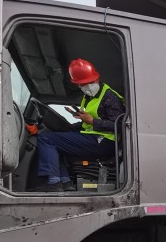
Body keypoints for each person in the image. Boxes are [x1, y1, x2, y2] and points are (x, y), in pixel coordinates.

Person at [34, 59, 125, 192]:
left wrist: (92, 121)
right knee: (55, 141)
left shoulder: (110, 97)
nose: (88, 86)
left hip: (104, 142)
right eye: (83, 84)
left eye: (91, 82)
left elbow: (120, 125)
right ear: (78, 85)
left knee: (46, 139)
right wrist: (79, 121)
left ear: (97, 77)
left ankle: (52, 182)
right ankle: (65, 183)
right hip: (94, 137)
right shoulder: (88, 98)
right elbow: (88, 125)